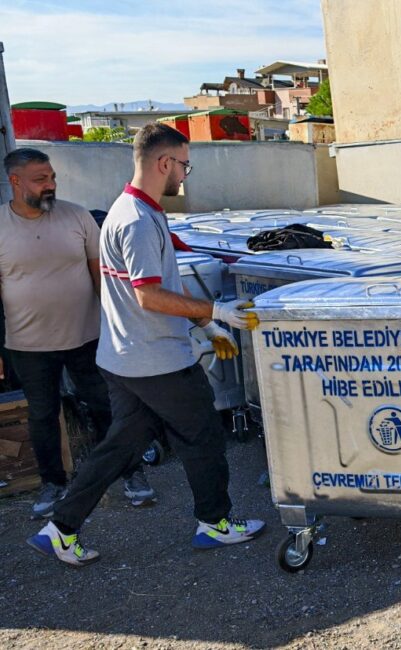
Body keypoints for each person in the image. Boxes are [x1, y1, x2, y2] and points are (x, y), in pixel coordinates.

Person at [28, 123, 264, 567]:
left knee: (121, 445)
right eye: (184, 165)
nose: (184, 174)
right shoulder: (137, 221)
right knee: (203, 435)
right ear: (163, 162)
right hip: (155, 358)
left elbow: (159, 286)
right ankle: (215, 522)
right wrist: (216, 313)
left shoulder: (134, 209)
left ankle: (60, 527)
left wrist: (202, 324)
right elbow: (148, 295)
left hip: (124, 356)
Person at [1, 148, 156, 519]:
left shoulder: (77, 216)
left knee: (106, 406)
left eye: (52, 177)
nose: (51, 185)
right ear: (15, 181)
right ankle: (53, 484)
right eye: (41, 179)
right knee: (42, 414)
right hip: (27, 344)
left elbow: (100, 277)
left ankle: (130, 473)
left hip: (88, 337)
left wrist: (119, 327)